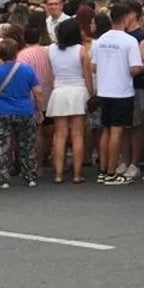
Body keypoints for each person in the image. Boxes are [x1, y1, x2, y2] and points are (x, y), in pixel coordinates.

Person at [91, 3, 142, 184]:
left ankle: (104, 169)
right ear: (126, 18)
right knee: (117, 131)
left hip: (104, 89)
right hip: (121, 90)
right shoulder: (130, 41)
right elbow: (134, 69)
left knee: (106, 129)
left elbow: (94, 66)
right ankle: (112, 172)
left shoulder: (101, 40)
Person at [0, 38, 39, 188]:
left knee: (1, 144)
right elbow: (38, 91)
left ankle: (3, 177)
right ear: (16, 52)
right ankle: (30, 175)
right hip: (25, 109)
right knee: (27, 144)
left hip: (1, 111)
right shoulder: (28, 69)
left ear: (0, 54)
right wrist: (38, 109)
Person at [43, 16, 93, 185]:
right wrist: (91, 94)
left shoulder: (51, 49)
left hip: (59, 91)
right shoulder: (81, 49)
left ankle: (58, 174)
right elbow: (87, 76)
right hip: (78, 91)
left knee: (59, 136)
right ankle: (78, 174)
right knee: (78, 135)